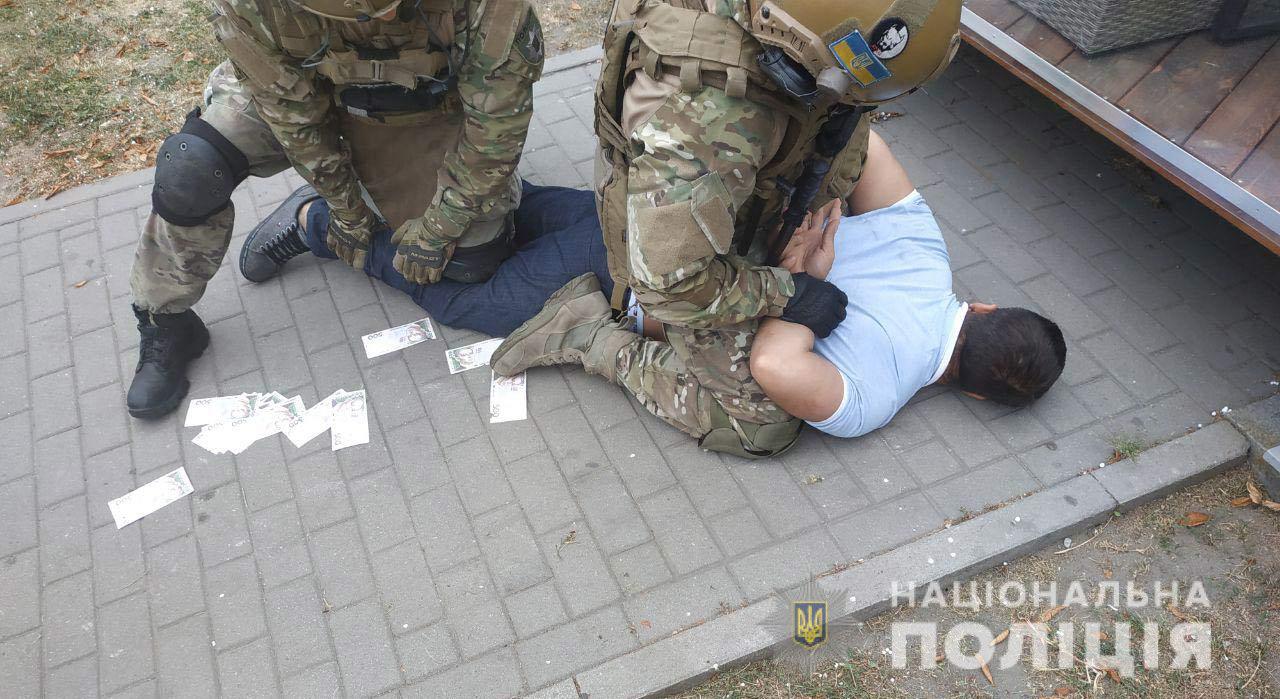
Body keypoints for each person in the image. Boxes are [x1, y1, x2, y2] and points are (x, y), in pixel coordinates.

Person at [490, 0, 963, 457]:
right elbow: (671, 285)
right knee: (762, 426)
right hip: (670, 258)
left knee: (533, 214)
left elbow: (849, 141)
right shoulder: (715, 117)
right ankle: (586, 332)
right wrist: (789, 294)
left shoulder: (795, 37)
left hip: (708, 215)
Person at [491, 131, 1066, 447]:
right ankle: (588, 334)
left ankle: (486, 202)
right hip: (632, 282)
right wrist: (803, 289)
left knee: (515, 211)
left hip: (663, 221)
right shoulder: (873, 401)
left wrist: (816, 205)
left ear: (986, 307)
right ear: (977, 395)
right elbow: (771, 364)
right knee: (763, 430)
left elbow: (864, 144)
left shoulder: (925, 252)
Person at [125, 0, 544, 418]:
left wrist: (439, 227)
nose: (384, 18)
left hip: (421, 106)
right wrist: (344, 205)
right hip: (296, 94)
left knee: (470, 261)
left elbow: (496, 131)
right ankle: (166, 320)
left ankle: (311, 220)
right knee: (191, 170)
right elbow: (292, 117)